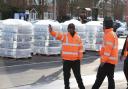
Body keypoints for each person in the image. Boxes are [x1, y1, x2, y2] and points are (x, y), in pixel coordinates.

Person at [48, 23, 85, 89]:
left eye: (71, 28)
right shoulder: (65, 36)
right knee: (66, 76)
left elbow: (81, 48)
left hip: (76, 61)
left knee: (78, 77)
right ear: (68, 29)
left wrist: (80, 58)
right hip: (66, 60)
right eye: (69, 28)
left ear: (74, 29)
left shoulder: (78, 37)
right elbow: (57, 35)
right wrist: (51, 31)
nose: (70, 29)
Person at [92, 16, 118, 89]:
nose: (102, 26)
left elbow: (107, 50)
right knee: (110, 79)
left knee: (99, 80)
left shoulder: (108, 35)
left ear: (106, 26)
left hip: (107, 62)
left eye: (103, 25)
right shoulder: (112, 33)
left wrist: (103, 61)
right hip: (111, 62)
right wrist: (100, 52)